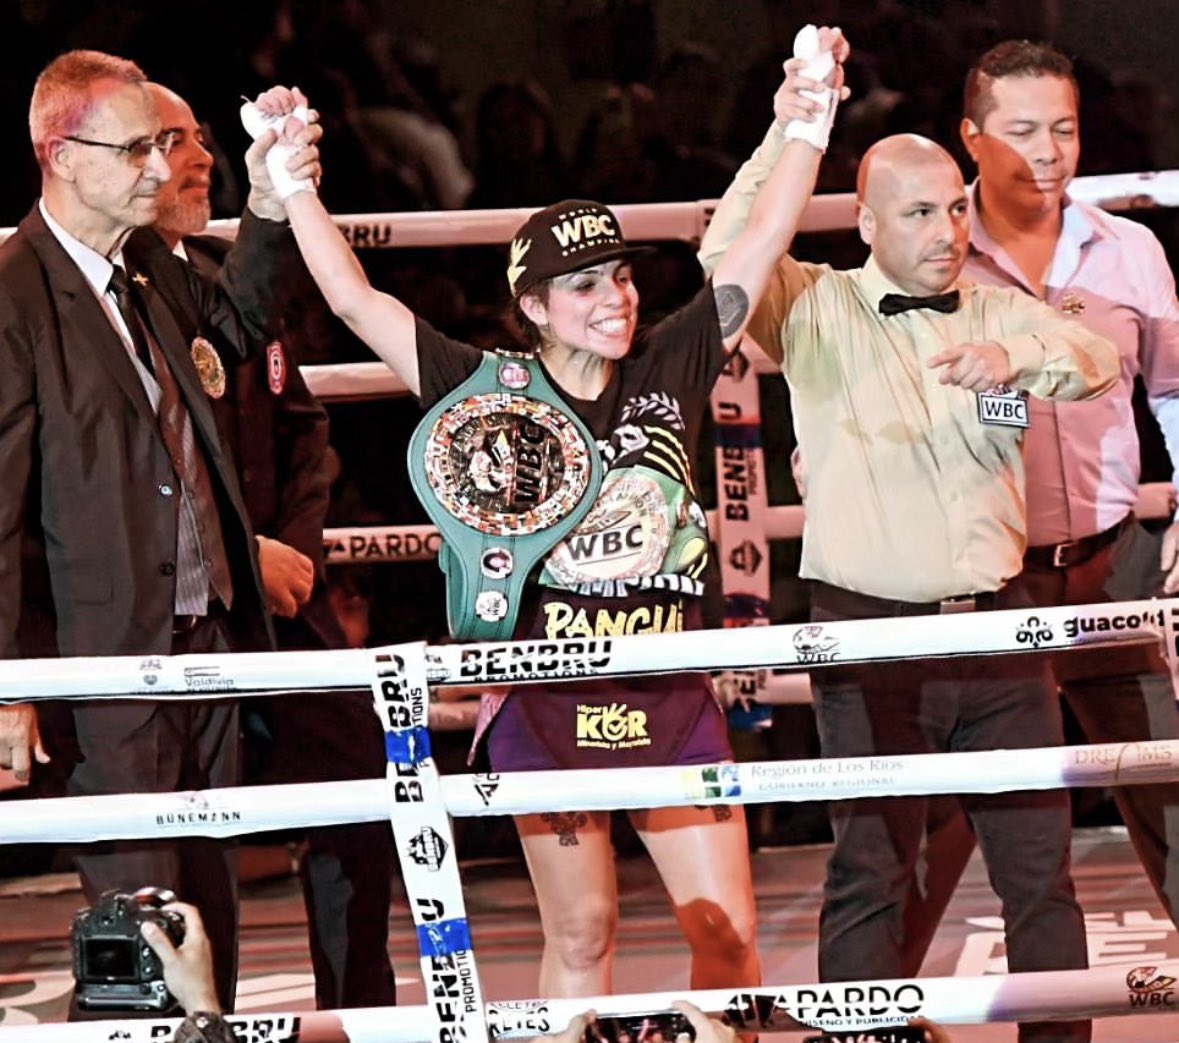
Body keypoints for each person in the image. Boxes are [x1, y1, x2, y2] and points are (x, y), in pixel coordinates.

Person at [245, 39, 853, 996]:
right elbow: (357, 302)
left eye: (619, 277)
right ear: (532, 305)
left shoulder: (668, 360)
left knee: (730, 940)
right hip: (545, 697)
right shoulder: (487, 389)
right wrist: (292, 182)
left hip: (670, 691)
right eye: (583, 285)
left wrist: (806, 117)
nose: (613, 299)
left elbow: (758, 246)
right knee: (583, 938)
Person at [699, 88, 1119, 1043]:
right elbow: (724, 247)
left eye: (955, 206)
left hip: (999, 627)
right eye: (920, 211)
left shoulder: (1000, 311)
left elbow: (1093, 357)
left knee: (1038, 876)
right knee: (871, 868)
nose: (946, 227)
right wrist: (790, 124)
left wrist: (1014, 367)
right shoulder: (809, 305)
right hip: (867, 630)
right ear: (866, 220)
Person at [0, 51, 317, 1012]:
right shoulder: (12, 297)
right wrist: (9, 683)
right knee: (138, 919)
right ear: (61, 154)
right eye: (136, 146)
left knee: (206, 898)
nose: (158, 166)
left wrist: (267, 200)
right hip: (101, 661)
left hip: (203, 644)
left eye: (164, 143)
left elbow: (237, 334)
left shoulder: (147, 273)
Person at [894, 38, 1179, 971]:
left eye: (1062, 128)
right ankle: (868, 1015)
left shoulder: (1129, 250)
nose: (1048, 153)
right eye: (1020, 132)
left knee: (1167, 789)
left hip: (1112, 562)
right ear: (969, 139)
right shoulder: (925, 257)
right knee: (936, 819)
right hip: (981, 579)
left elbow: (1172, 393)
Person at [146, 82, 398, 1010]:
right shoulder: (107, 300)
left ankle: (358, 1015)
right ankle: (202, 1020)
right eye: (174, 141)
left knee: (357, 781)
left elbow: (304, 432)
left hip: (278, 604)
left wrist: (286, 558)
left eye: (202, 138)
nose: (199, 158)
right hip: (175, 610)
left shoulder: (224, 281)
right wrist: (244, 553)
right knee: (190, 832)